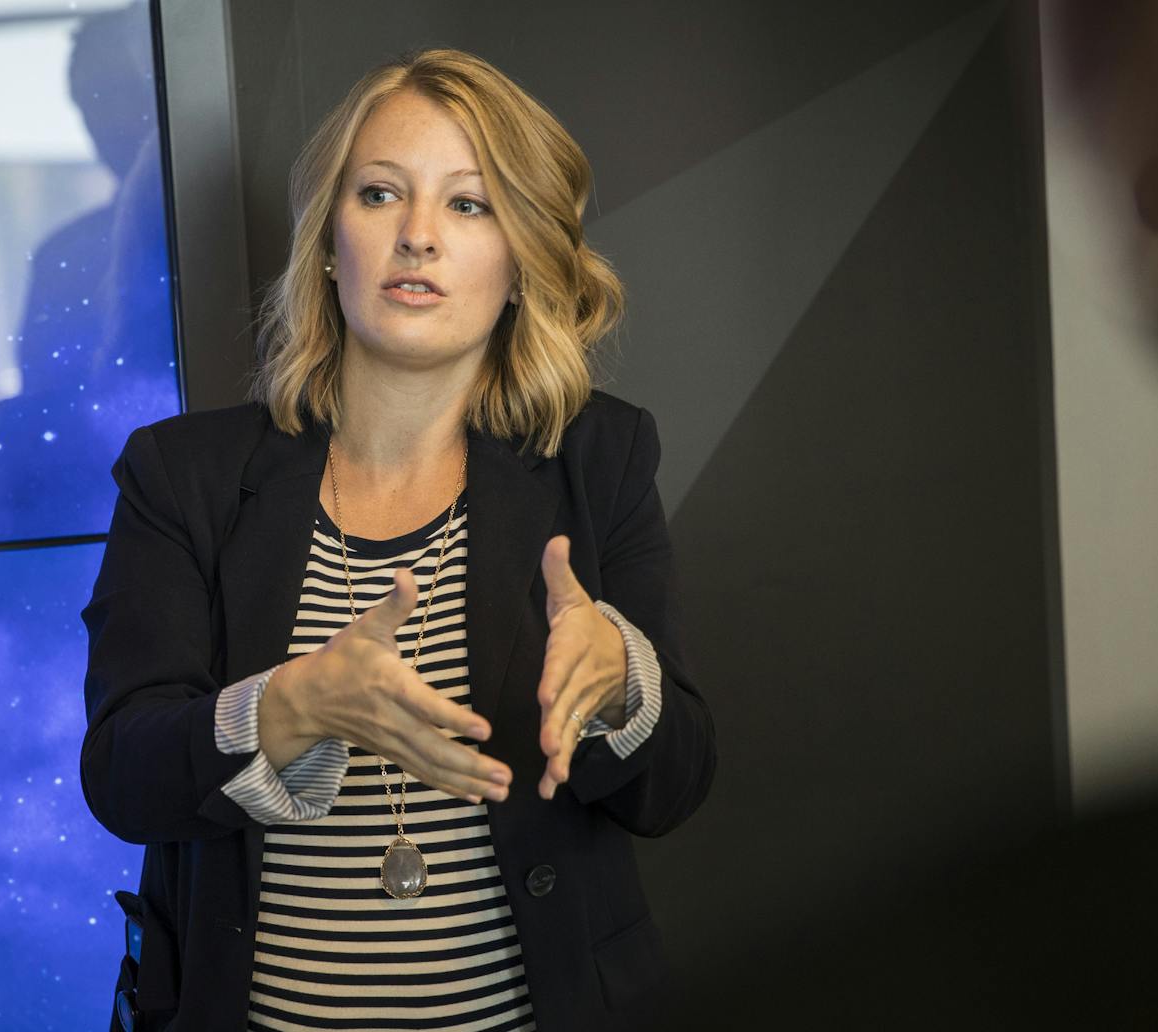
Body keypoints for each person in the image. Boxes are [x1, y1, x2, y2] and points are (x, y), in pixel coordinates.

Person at [80, 48, 715, 1032]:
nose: (417, 235)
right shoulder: (181, 477)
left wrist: (621, 682)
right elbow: (122, 776)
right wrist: (287, 707)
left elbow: (671, 787)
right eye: (380, 194)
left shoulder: (600, 457)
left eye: (469, 205)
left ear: (519, 263)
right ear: (329, 243)